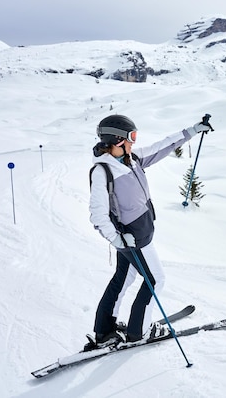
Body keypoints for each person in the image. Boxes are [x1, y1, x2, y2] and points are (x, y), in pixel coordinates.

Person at [85, 114, 211, 351]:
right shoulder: (103, 172)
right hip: (132, 239)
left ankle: (104, 331)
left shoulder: (132, 160)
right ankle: (138, 332)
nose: (134, 142)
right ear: (117, 140)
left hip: (136, 235)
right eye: (131, 137)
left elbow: (162, 146)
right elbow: (97, 215)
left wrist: (192, 131)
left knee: (123, 280)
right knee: (155, 280)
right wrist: (117, 239)